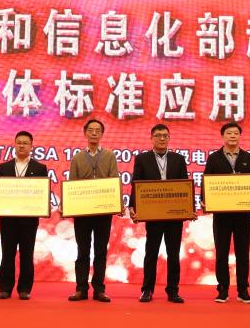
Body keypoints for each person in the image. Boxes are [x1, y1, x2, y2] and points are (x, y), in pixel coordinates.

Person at [130, 123, 188, 304]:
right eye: (158, 135)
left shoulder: (178, 159)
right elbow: (136, 184)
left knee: (174, 254)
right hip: (153, 214)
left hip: (173, 215)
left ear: (169, 138)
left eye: (165, 135)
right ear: (151, 138)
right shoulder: (142, 159)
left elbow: (184, 185)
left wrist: (188, 209)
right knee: (151, 253)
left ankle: (173, 291)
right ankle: (147, 290)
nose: (162, 138)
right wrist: (133, 207)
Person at [202, 121, 250, 303]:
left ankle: (243, 290)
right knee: (221, 252)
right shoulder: (214, 158)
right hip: (222, 214)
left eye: (236, 133)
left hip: (242, 214)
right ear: (223, 136)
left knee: (243, 252)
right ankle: (223, 289)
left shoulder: (248, 158)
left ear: (240, 136)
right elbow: (206, 181)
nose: (233, 136)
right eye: (229, 133)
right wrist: (205, 200)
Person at [67, 119, 119, 303]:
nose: (94, 133)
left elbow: (114, 181)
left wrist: (116, 203)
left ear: (102, 134)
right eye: (91, 130)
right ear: (85, 133)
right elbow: (72, 184)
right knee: (83, 251)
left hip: (103, 213)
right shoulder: (77, 158)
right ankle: (81, 288)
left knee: (100, 252)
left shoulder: (110, 156)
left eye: (97, 130)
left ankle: (99, 289)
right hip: (82, 214)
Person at [0, 131, 49, 300]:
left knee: (27, 255)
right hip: (8, 220)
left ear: (31, 146)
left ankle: (24, 289)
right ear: (14, 144)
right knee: (7, 254)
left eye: (25, 143)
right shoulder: (4, 167)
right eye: (19, 142)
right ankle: (5, 288)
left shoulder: (40, 168)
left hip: (29, 221)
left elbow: (42, 194)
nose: (22, 145)